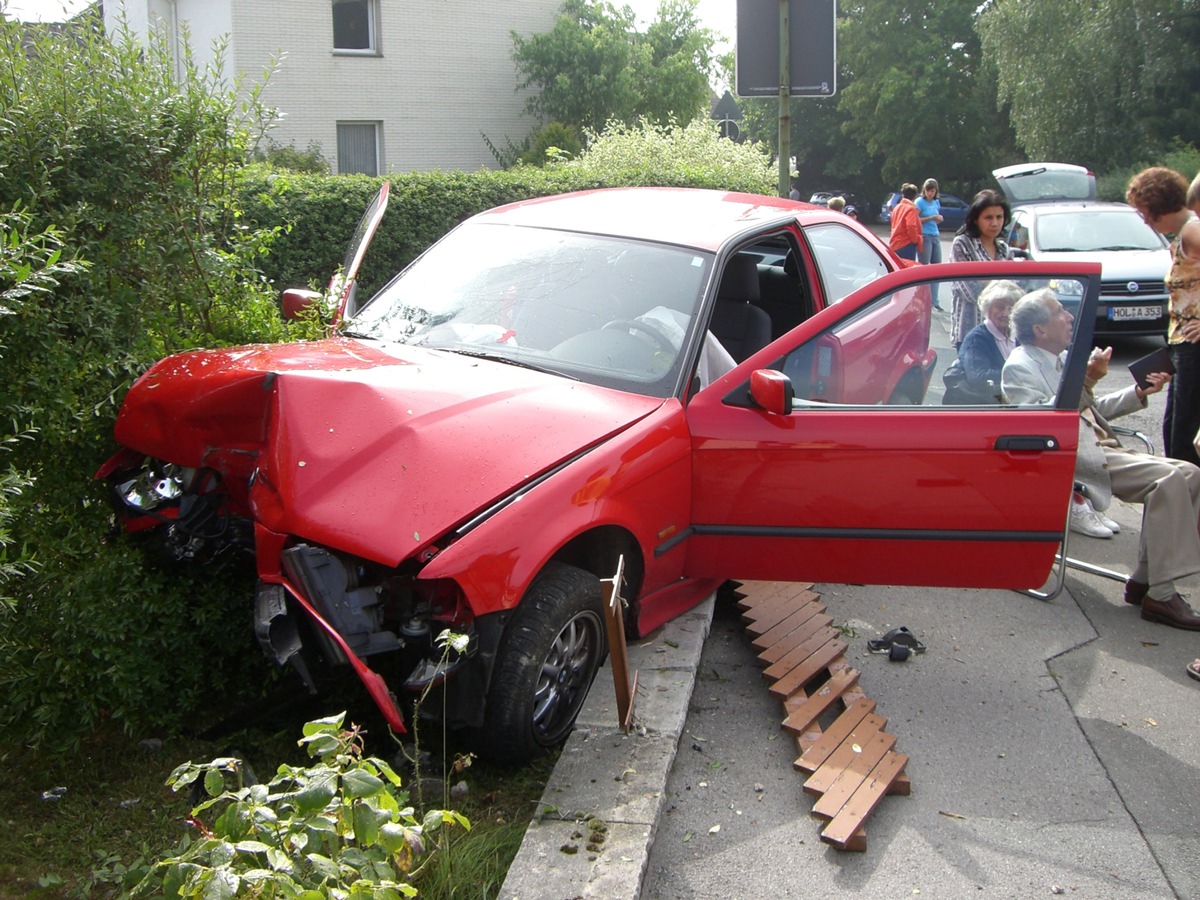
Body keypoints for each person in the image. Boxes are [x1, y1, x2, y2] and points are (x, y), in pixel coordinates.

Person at [1001, 288, 1200, 630]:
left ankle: (1143, 579)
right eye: (1059, 311)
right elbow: (1049, 420)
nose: (1069, 317)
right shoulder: (1019, 366)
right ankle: (1162, 594)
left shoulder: (1058, 358)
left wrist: (1137, 392)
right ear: (1039, 330)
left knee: (1191, 472)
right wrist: (1089, 379)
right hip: (1074, 456)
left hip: (1101, 446)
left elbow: (1090, 410)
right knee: (1168, 480)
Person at [1126, 167, 1200, 468]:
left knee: (1183, 436)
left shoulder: (1192, 231)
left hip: (1194, 347)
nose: (1144, 220)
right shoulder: (1184, 234)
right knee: (1174, 429)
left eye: (1144, 212)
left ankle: (1187, 508)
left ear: (1158, 205)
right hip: (1181, 344)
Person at [950, 189, 1012, 349]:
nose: (995, 223)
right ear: (976, 219)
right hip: (970, 333)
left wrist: (987, 282)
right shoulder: (962, 244)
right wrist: (1000, 286)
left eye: (999, 217)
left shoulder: (1004, 250)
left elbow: (1013, 292)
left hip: (1002, 334)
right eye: (988, 217)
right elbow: (970, 291)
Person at [946, 279, 1021, 403]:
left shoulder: (1017, 336)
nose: (1006, 314)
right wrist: (1018, 375)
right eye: (1000, 308)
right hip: (984, 407)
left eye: (1011, 308)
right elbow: (978, 377)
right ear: (988, 309)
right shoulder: (977, 338)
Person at [916, 178, 944, 308]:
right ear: (924, 190)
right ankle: (922, 299)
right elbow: (916, 220)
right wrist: (931, 218)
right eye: (928, 191)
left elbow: (936, 215)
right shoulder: (919, 202)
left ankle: (935, 301)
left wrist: (938, 219)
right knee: (924, 267)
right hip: (925, 235)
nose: (930, 194)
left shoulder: (936, 202)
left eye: (932, 191)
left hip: (935, 235)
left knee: (937, 268)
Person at [887, 183, 922, 262]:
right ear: (915, 196)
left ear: (903, 195)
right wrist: (915, 239)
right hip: (906, 244)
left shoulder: (897, 207)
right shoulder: (911, 209)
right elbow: (911, 225)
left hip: (894, 243)